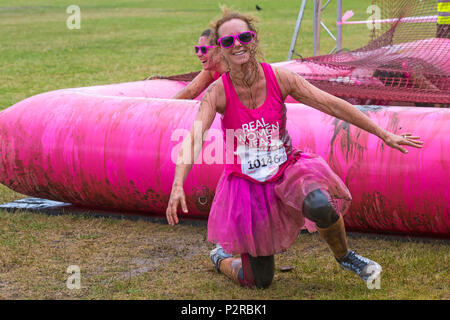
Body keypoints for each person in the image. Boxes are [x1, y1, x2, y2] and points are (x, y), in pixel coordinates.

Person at [165, 9, 424, 289]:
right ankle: (222, 259)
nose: (237, 44)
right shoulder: (217, 92)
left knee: (320, 204)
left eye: (244, 37)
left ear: (253, 40)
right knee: (259, 280)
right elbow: (194, 136)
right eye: (228, 42)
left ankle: (346, 256)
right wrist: (178, 182)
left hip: (288, 172)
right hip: (248, 186)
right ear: (221, 51)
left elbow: (331, 104)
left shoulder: (280, 78)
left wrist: (383, 133)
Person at [172, 29, 228, 99]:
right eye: (197, 49)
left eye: (204, 49)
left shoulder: (237, 72)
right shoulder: (211, 70)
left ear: (220, 50)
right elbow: (189, 92)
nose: (199, 54)